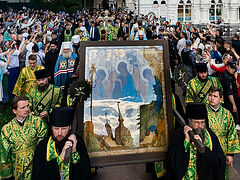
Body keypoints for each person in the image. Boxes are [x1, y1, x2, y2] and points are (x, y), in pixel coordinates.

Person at [167, 102, 226, 180]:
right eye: (197, 122)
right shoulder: (178, 135)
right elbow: (173, 162)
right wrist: (186, 141)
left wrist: (204, 150)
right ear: (189, 121)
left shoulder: (211, 136)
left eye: (202, 122)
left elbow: (220, 161)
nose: (200, 126)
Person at [32, 107, 90, 180]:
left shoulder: (78, 142)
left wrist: (74, 152)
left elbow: (85, 173)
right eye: (56, 129)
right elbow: (38, 174)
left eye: (64, 129)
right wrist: (60, 158)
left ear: (70, 127)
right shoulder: (43, 145)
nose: (59, 133)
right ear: (51, 128)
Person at [0, 96, 47, 179]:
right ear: (14, 111)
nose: (26, 109)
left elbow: (43, 144)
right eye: (22, 107)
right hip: (17, 170)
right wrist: (7, 174)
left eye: (28, 106)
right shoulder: (6, 129)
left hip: (36, 166)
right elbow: (4, 154)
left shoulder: (37, 122)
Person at [207, 87, 240, 179]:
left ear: (221, 99)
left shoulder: (227, 114)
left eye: (215, 96)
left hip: (223, 152)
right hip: (208, 150)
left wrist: (230, 154)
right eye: (210, 95)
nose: (212, 98)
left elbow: (232, 134)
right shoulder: (203, 112)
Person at [220, 61, 240, 129]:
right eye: (231, 68)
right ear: (227, 67)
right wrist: (233, 105)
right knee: (231, 116)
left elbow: (236, 86)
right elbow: (229, 92)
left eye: (234, 68)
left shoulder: (232, 74)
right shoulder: (226, 76)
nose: (233, 70)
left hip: (234, 97)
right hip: (228, 101)